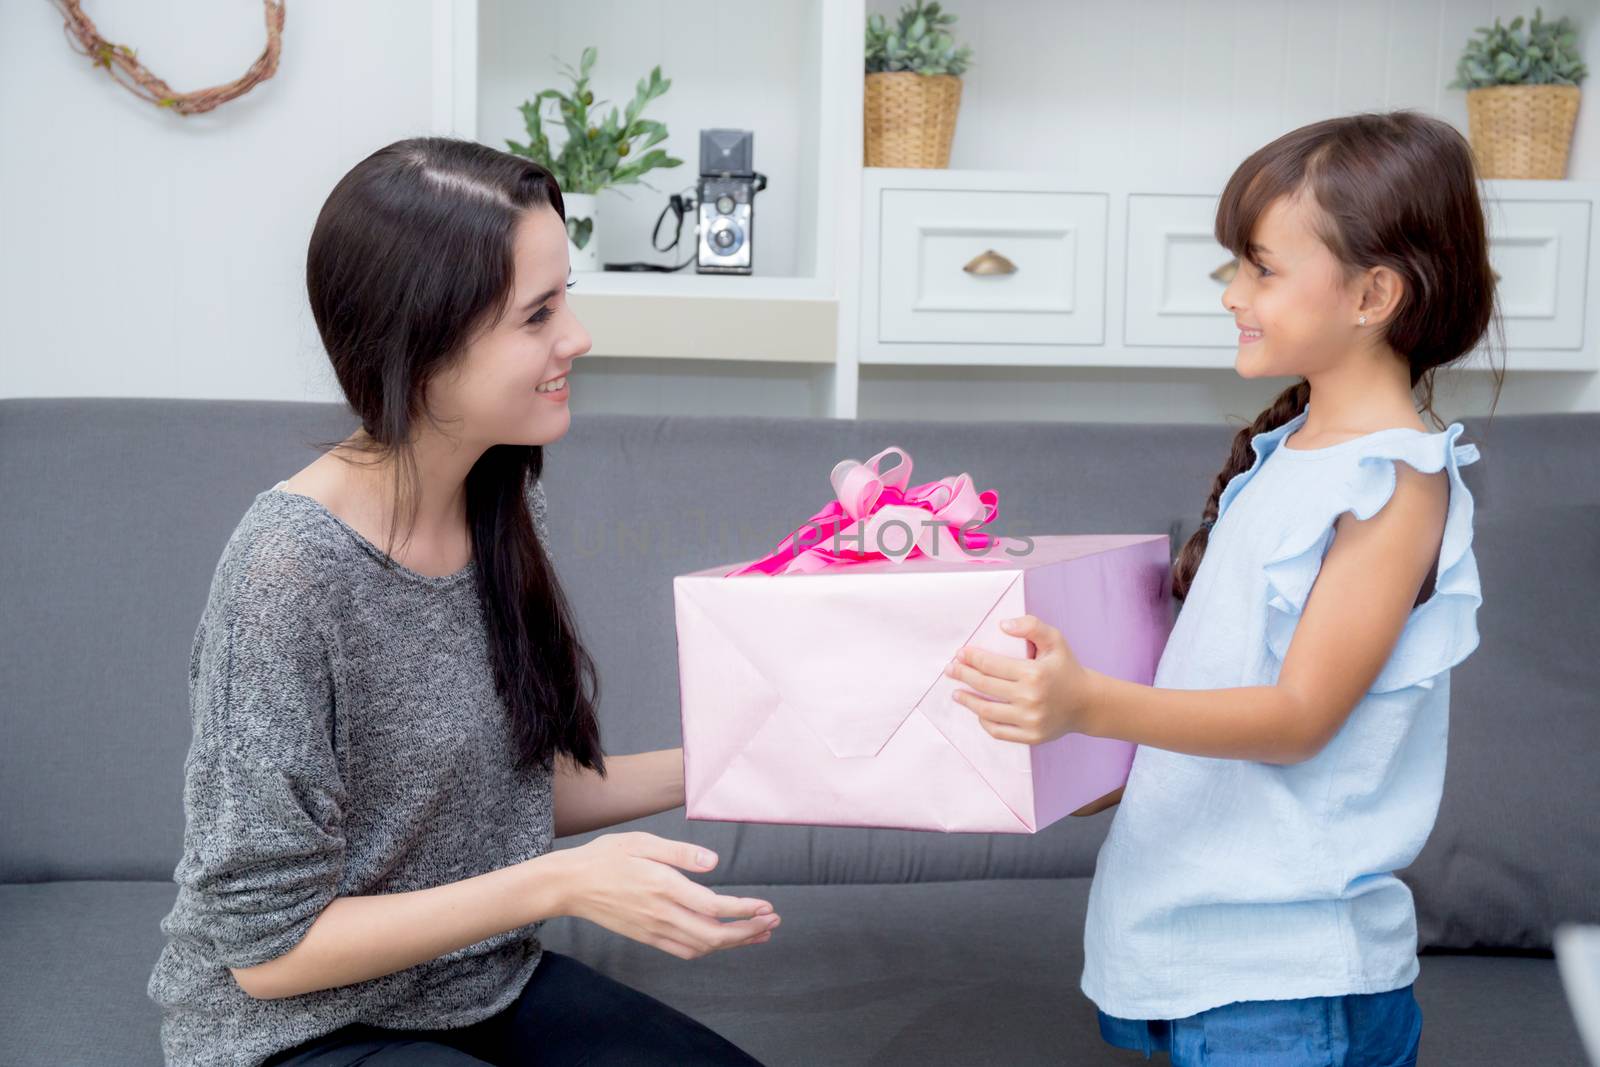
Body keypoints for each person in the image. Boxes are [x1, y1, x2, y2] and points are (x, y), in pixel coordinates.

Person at [146, 137, 777, 1067]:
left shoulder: (501, 500)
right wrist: (559, 884)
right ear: (425, 342)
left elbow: (499, 796)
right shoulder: (288, 573)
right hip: (294, 1031)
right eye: (538, 314)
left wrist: (746, 758)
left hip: (477, 982)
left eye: (568, 299)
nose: (578, 337)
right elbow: (266, 955)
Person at [943, 110, 1503, 1066]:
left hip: (1287, 978)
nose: (1233, 293)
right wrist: (1095, 743)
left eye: (1262, 268)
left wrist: (1093, 702)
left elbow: (1297, 717)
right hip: (1193, 951)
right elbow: (1220, 680)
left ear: (1373, 293)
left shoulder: (1396, 481)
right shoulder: (1291, 454)